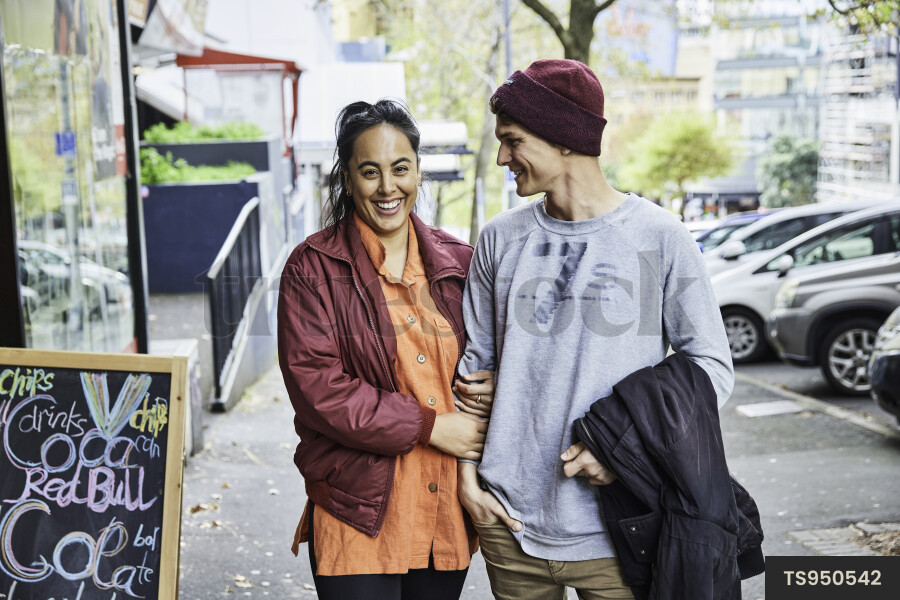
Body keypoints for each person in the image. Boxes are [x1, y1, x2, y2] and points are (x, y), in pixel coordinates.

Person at [456, 59, 736, 599]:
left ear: (564, 138)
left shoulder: (659, 236)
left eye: (512, 141)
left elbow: (711, 367)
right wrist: (469, 479)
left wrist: (623, 448)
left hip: (622, 525)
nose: (501, 158)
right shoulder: (498, 239)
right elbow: (476, 368)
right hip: (508, 525)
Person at [277, 99, 494, 600]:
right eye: (369, 172)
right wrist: (431, 425)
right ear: (348, 179)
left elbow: (493, 358)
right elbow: (318, 389)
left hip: (443, 507)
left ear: (419, 170)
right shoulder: (312, 269)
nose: (387, 187)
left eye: (400, 168)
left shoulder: (461, 263)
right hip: (359, 508)